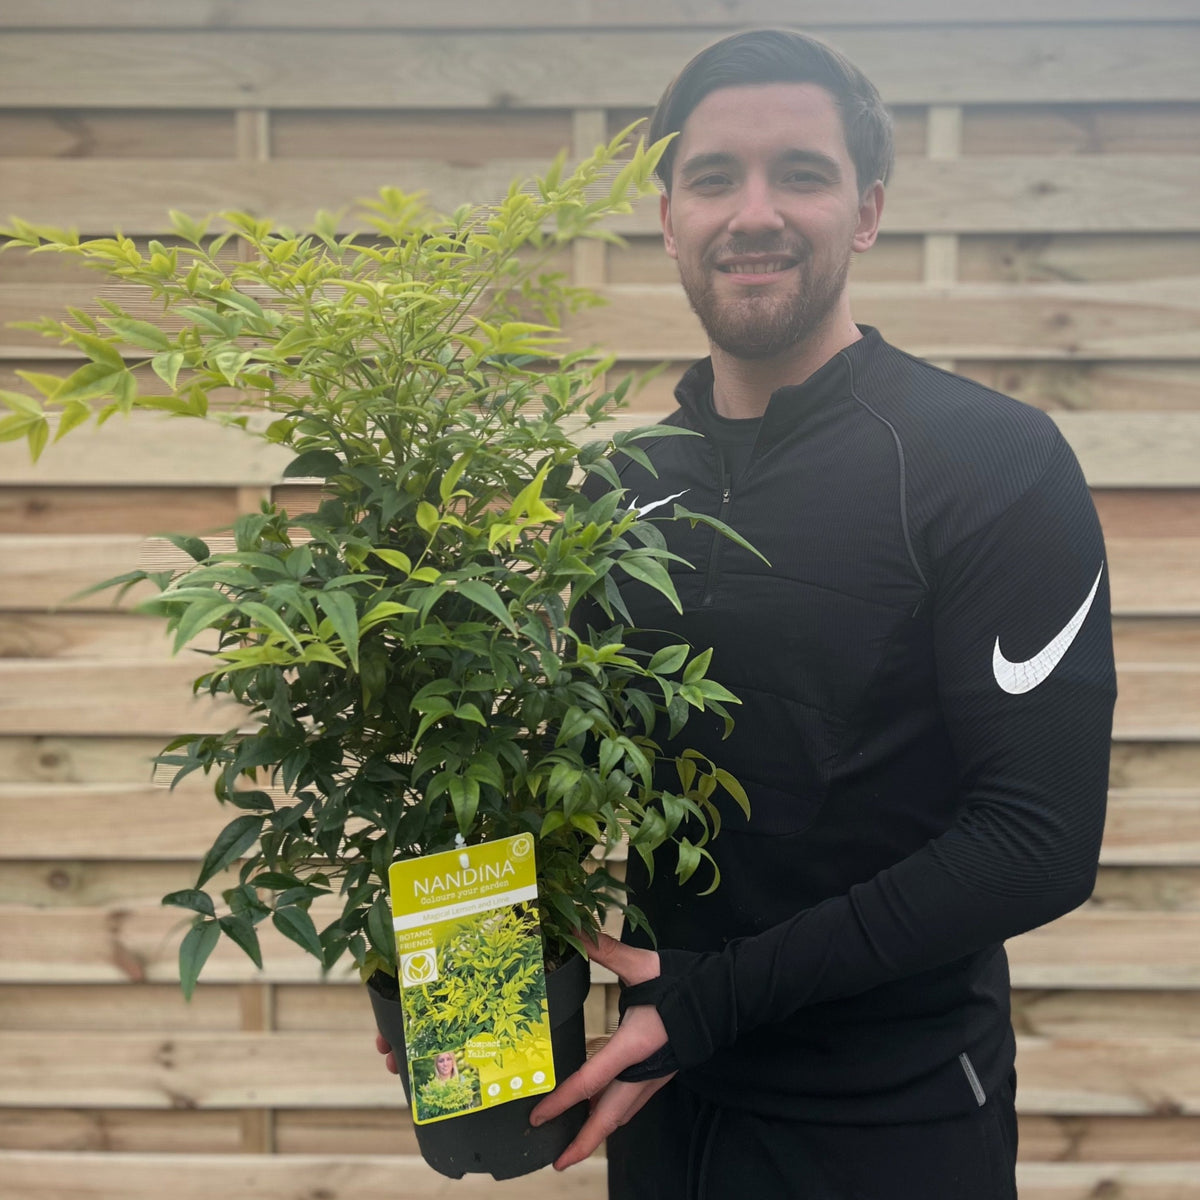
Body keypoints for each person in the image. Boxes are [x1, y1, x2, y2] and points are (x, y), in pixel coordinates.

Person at [383, 29, 1117, 1199]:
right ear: (669, 216)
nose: (755, 212)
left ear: (867, 211)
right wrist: (460, 974)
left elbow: (1038, 843)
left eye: (802, 174)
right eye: (716, 176)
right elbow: (563, 779)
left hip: (892, 1122)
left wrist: (709, 1003)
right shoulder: (618, 488)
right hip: (666, 1113)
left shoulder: (990, 464)